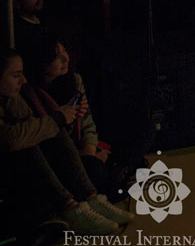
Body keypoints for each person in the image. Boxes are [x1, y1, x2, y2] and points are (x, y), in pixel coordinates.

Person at [1, 48, 135, 236]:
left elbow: (86, 126)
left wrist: (83, 137)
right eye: (16, 75)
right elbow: (10, 140)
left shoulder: (72, 82)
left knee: (55, 132)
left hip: (71, 155)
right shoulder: (31, 92)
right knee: (33, 142)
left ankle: (92, 197)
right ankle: (70, 207)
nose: (22, 81)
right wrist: (58, 119)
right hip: (20, 167)